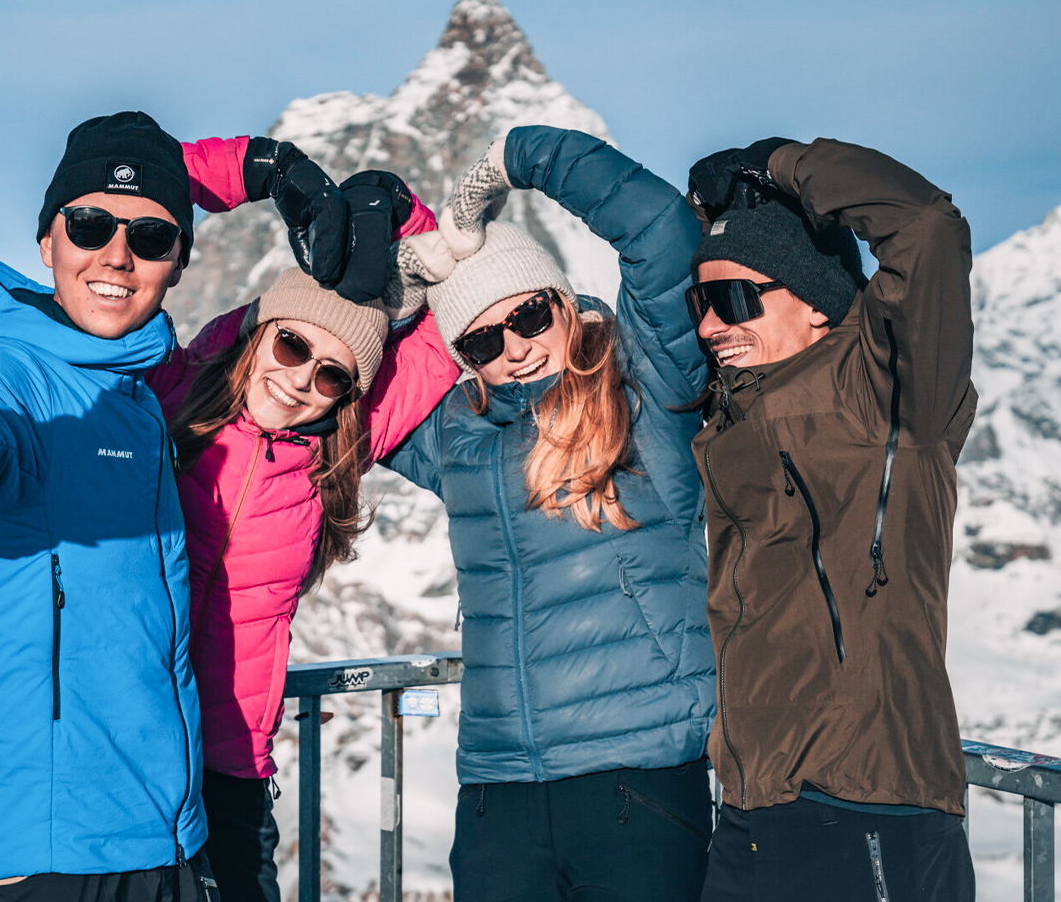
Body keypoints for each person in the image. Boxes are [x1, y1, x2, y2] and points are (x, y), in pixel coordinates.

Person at [0, 111, 378, 901]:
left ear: (175, 265)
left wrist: (264, 168)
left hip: (162, 839)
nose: (118, 255)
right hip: (44, 860)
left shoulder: (139, 389)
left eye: (153, 240)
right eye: (89, 224)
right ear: (47, 243)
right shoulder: (10, 378)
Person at [384, 126, 716, 902]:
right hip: (500, 791)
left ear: (562, 301)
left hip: (638, 780)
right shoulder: (457, 438)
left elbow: (663, 235)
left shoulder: (644, 391)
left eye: (531, 316)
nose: (517, 348)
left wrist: (520, 157)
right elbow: (347, 390)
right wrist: (397, 289)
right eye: (483, 339)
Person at [145, 171, 459, 901]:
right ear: (258, 332)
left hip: (228, 767)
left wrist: (406, 216)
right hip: (127, 743)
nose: (301, 382)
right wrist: (256, 168)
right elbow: (129, 225)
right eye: (289, 346)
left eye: (331, 375)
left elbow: (450, 320)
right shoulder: (174, 393)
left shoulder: (341, 443)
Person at [681, 138, 977, 900]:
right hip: (752, 811)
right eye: (701, 303)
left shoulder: (889, 390)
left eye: (736, 300)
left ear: (815, 300)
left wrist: (783, 162)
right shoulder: (728, 425)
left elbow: (926, 228)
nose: (712, 325)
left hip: (870, 803)